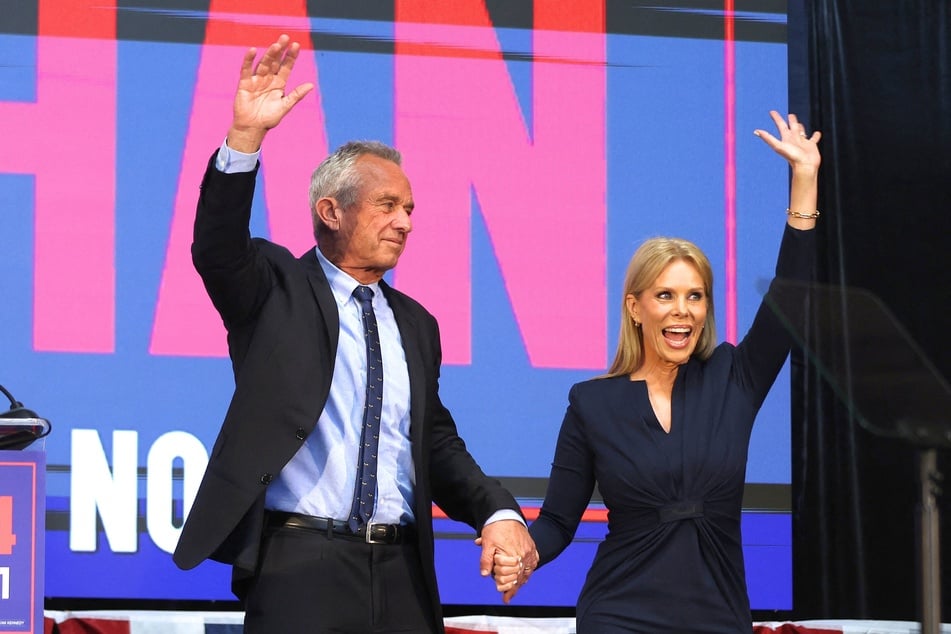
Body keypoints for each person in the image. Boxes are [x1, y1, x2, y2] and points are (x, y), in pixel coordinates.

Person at [172, 35, 538, 633]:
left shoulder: (417, 324)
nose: (405, 223)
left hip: (403, 573)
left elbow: (434, 443)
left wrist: (497, 511)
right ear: (331, 211)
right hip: (300, 566)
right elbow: (215, 248)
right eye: (387, 204)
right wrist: (245, 140)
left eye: (411, 209)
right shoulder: (273, 289)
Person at [491, 110, 821, 632]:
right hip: (618, 614)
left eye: (695, 296)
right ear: (635, 307)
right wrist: (524, 556)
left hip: (718, 616)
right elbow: (557, 522)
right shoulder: (591, 403)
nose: (682, 310)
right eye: (665, 295)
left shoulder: (734, 376)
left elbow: (790, 295)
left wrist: (805, 180)